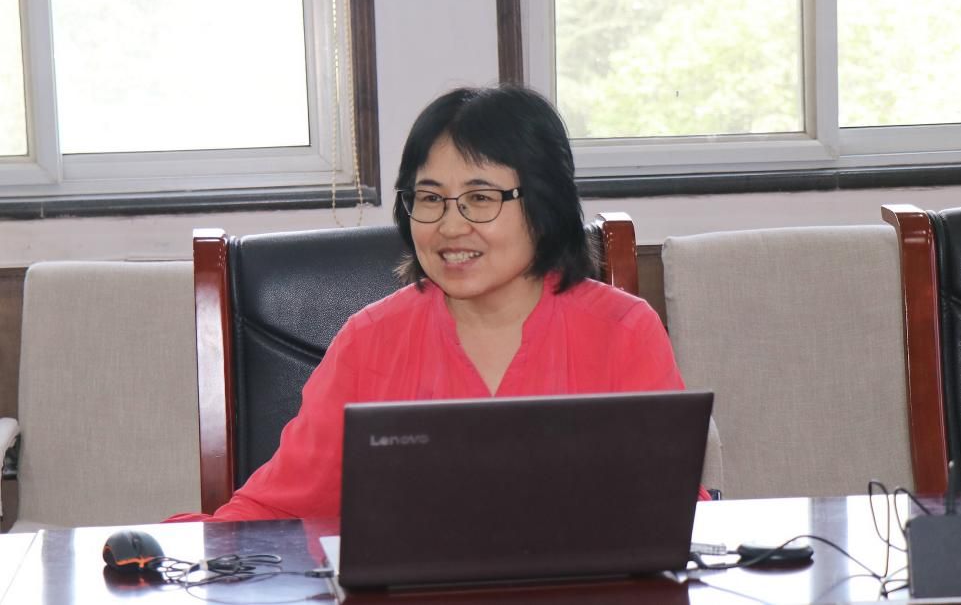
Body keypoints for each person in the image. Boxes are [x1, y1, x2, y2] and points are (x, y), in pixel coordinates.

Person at [168, 85, 707, 524]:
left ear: (545, 207)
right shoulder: (370, 341)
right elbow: (274, 510)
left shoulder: (622, 330)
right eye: (429, 198)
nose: (449, 226)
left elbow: (673, 508)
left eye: (480, 198)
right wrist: (162, 553)